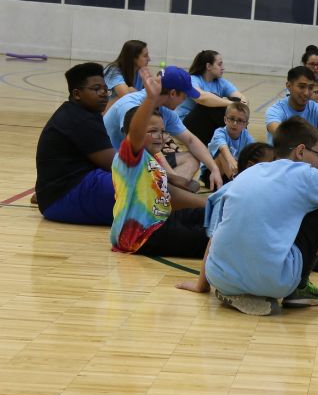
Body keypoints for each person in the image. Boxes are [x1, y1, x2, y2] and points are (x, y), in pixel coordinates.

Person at [175, 117, 318, 316]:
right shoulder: (305, 174)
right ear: (300, 151)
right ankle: (299, 287)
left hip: (218, 275)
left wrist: (202, 284)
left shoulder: (249, 173)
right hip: (275, 283)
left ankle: (234, 289)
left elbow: (216, 225)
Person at [110, 68, 209, 258]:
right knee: (210, 239)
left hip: (161, 221)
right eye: (153, 131)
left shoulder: (152, 156)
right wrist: (150, 99)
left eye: (162, 132)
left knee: (211, 217)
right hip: (141, 236)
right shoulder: (130, 157)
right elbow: (136, 133)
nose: (160, 137)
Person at [102, 66, 224, 188]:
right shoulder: (130, 106)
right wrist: (174, 179)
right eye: (184, 96)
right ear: (173, 93)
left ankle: (166, 195)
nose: (184, 100)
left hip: (144, 160)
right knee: (170, 178)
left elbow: (191, 140)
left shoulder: (165, 111)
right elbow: (146, 149)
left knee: (192, 160)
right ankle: (166, 194)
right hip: (115, 167)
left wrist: (214, 168)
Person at [35, 62, 116, 225]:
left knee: (146, 181)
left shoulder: (82, 112)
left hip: (65, 191)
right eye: (96, 89)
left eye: (105, 89)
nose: (103, 94)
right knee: (141, 186)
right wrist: (166, 175)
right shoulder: (79, 119)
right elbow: (116, 165)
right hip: (64, 197)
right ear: (77, 94)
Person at [264, 66, 318, 179]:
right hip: (284, 164)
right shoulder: (275, 110)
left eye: (310, 88)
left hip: (311, 161)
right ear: (289, 86)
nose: (306, 93)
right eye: (301, 87)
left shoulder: (316, 109)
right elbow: (283, 135)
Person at [180, 50, 246, 145]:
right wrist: (231, 104)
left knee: (235, 102)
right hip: (186, 126)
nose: (223, 68)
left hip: (206, 126)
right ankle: (237, 139)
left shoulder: (221, 82)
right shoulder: (192, 79)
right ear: (208, 66)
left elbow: (241, 98)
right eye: (219, 64)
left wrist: (241, 105)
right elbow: (201, 98)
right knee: (209, 103)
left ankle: (239, 137)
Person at [208, 101, 254, 183]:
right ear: (225, 119)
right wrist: (231, 160)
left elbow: (255, 150)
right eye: (232, 119)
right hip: (212, 174)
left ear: (245, 124)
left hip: (233, 170)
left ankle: (239, 180)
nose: (235, 123)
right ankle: (235, 181)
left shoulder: (246, 135)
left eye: (240, 120)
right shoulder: (219, 132)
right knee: (221, 153)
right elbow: (222, 147)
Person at [103, 39, 148, 105]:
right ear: (134, 58)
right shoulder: (113, 70)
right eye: (145, 56)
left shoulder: (141, 72)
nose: (149, 59)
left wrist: (133, 91)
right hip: (105, 112)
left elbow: (149, 96)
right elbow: (125, 95)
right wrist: (131, 91)